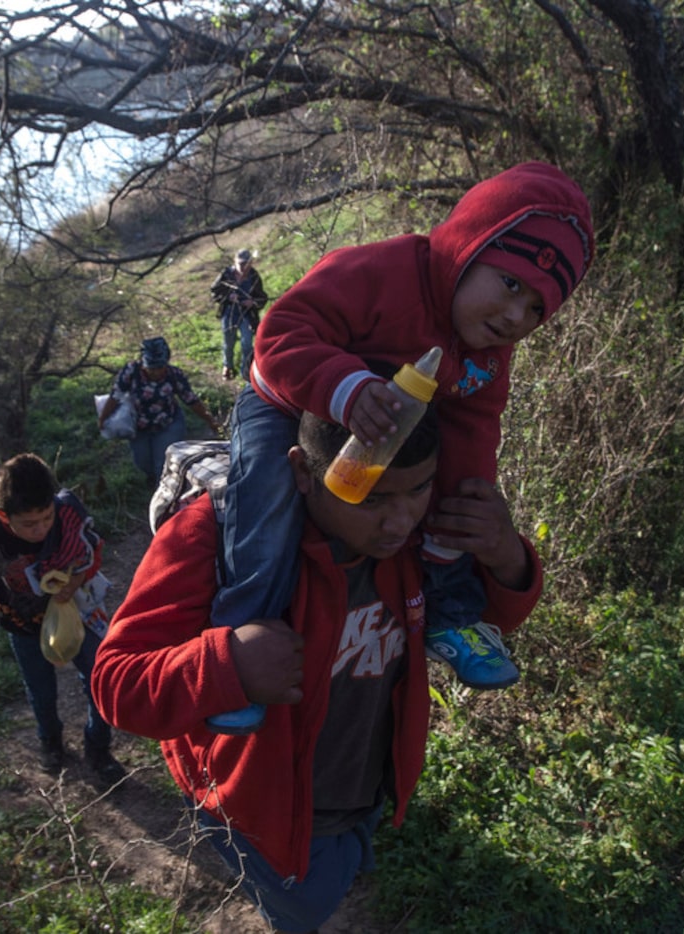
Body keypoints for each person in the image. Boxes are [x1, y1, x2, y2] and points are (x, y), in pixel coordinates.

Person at [92, 406, 542, 932]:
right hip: (258, 812)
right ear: (303, 471)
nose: (399, 521)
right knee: (306, 908)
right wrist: (229, 663)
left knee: (340, 869)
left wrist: (506, 554)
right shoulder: (220, 535)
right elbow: (115, 681)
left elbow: (487, 619)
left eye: (418, 490)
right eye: (369, 497)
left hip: (364, 787)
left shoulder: (418, 533)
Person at [215, 161, 593, 720]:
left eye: (538, 307)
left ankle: (452, 615)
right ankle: (240, 652)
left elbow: (475, 424)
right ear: (468, 245)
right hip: (285, 402)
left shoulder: (486, 349)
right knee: (267, 507)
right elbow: (282, 331)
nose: (517, 315)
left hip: (387, 437)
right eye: (511, 284)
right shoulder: (381, 272)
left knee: (455, 504)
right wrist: (346, 390)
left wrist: (462, 513)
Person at [0, 452, 126, 786]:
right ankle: (50, 742)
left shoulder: (68, 512)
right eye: (28, 524)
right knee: (40, 690)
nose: (40, 529)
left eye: (46, 518)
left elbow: (92, 549)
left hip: (77, 614)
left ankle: (99, 748)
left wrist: (77, 579)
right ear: (4, 516)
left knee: (99, 679)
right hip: (22, 625)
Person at [98, 336, 223, 486]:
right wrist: (103, 418)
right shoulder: (131, 372)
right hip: (139, 426)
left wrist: (210, 420)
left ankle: (165, 495)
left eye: (159, 367)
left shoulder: (174, 375)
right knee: (142, 461)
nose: (155, 372)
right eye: (151, 368)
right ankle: (153, 477)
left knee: (163, 464)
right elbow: (115, 396)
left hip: (168, 424)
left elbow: (191, 400)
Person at [210, 248, 269, 381]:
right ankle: (227, 366)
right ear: (235, 262)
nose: (243, 267)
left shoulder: (254, 276)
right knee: (229, 342)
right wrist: (228, 296)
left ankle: (245, 372)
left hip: (247, 315)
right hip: (230, 313)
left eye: (246, 264)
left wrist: (252, 302)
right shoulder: (226, 275)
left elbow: (262, 297)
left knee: (247, 343)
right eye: (241, 263)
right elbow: (214, 291)